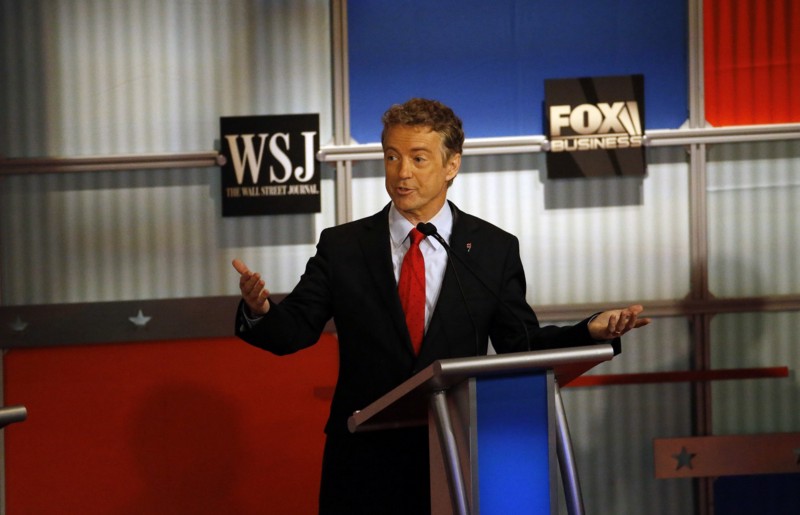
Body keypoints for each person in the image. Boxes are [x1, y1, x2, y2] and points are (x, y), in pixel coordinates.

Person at [232, 98, 650, 514]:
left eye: (418, 158)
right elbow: (295, 330)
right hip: (364, 461)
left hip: (456, 451)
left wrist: (589, 330)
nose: (402, 172)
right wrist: (261, 309)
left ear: (452, 165)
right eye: (392, 157)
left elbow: (520, 346)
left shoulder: (491, 250)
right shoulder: (343, 246)